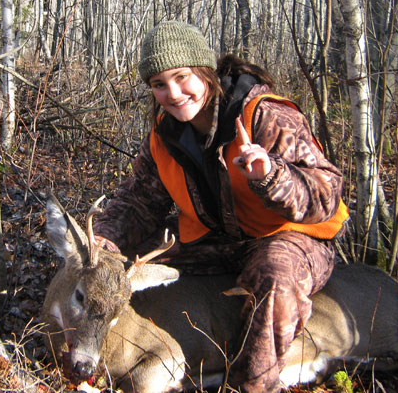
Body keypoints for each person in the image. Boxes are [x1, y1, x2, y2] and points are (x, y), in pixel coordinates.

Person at [92, 21, 349, 392]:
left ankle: (252, 384)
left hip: (289, 239)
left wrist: (272, 176)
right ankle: (123, 351)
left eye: (182, 77)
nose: (174, 93)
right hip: (221, 242)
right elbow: (139, 202)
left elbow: (327, 195)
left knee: (275, 273)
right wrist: (103, 242)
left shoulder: (265, 116)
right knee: (134, 264)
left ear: (205, 71)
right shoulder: (165, 136)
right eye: (159, 84)